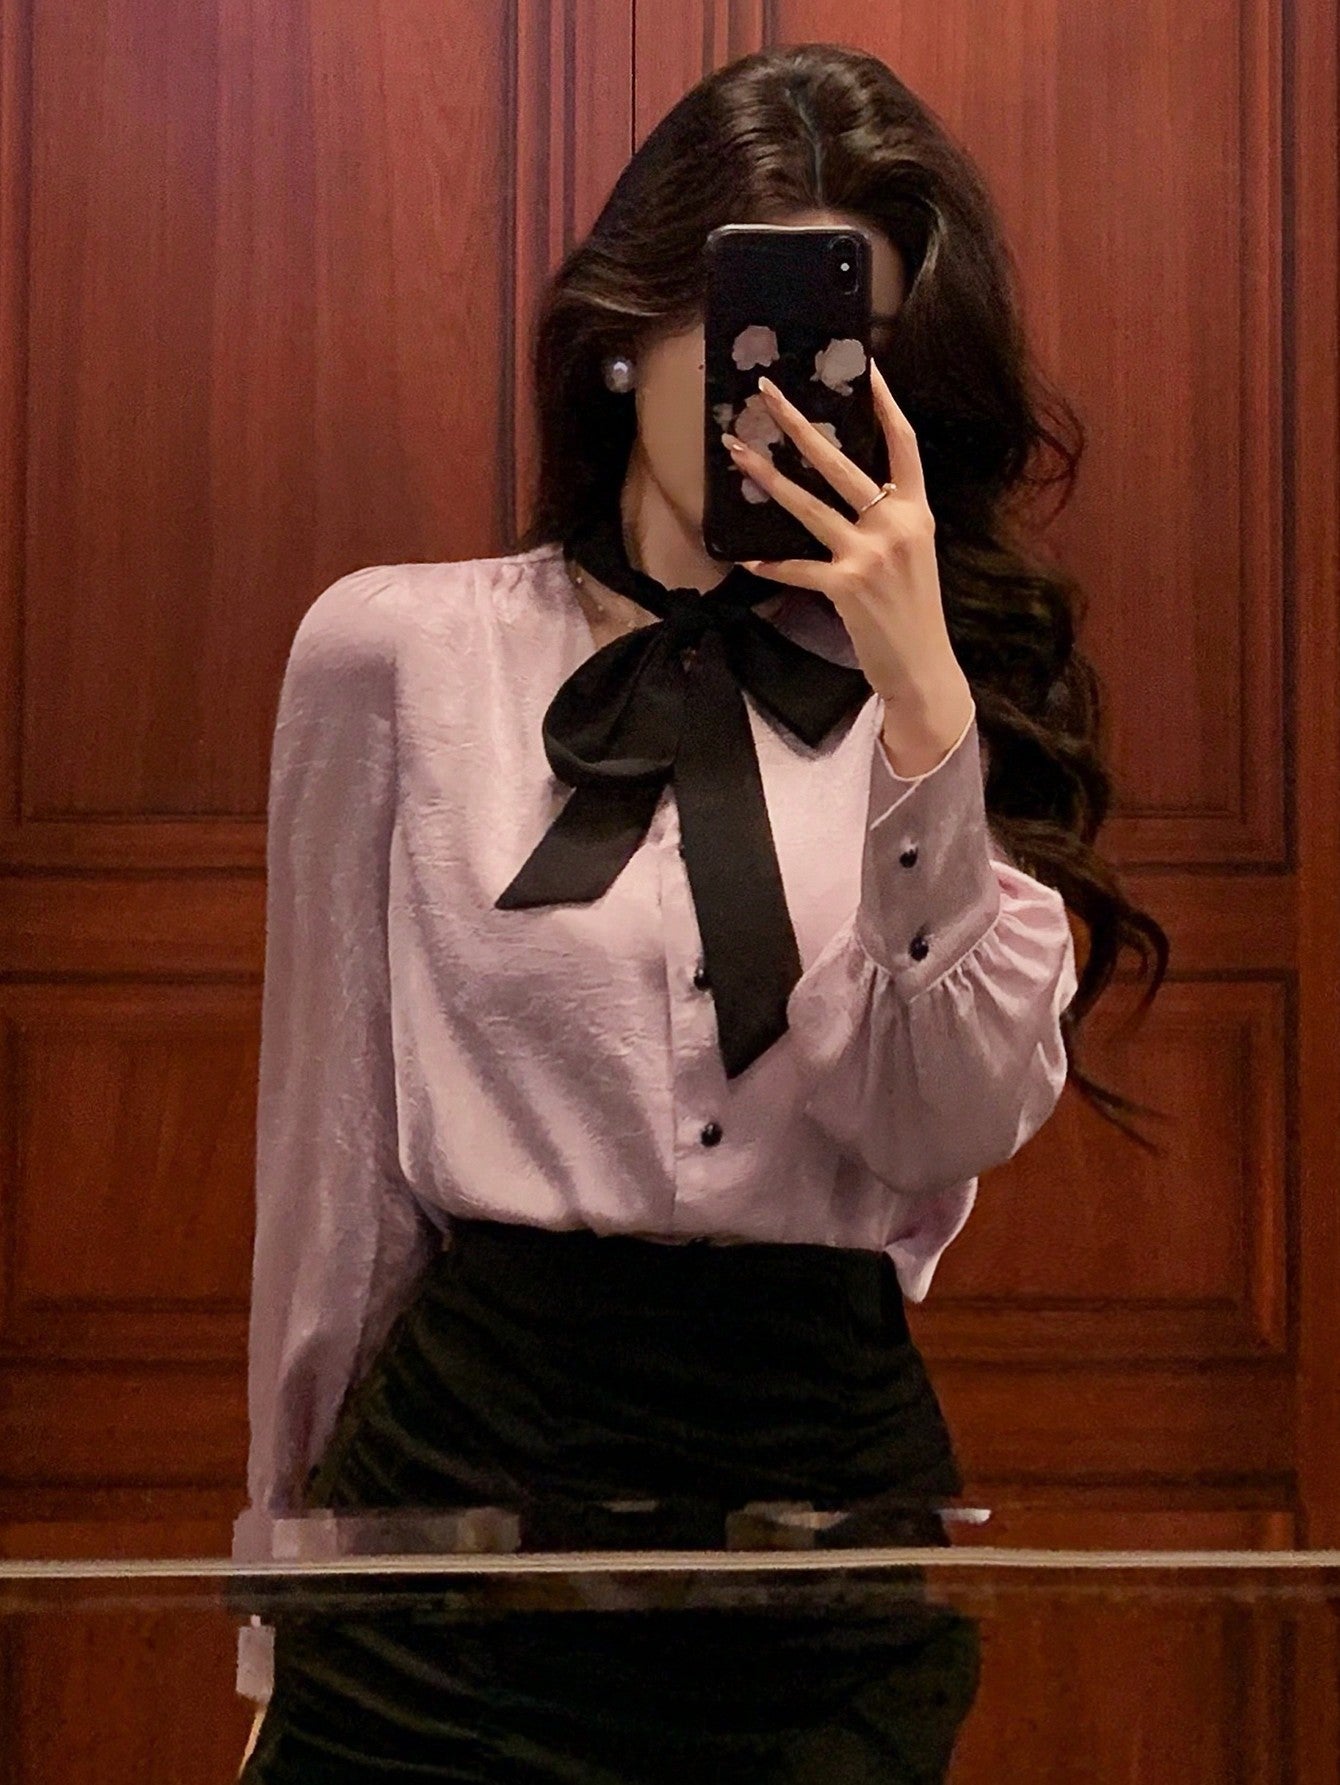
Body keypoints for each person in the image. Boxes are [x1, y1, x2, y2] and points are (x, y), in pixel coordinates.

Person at [233, 39, 1168, 1784]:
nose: (792, 407)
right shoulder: (395, 658)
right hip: (463, 1514)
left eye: (851, 357)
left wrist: (922, 706)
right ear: (624, 333)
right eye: (756, 338)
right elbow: (332, 1184)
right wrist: (279, 1606)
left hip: (813, 1527)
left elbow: (940, 1121)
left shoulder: (941, 703)